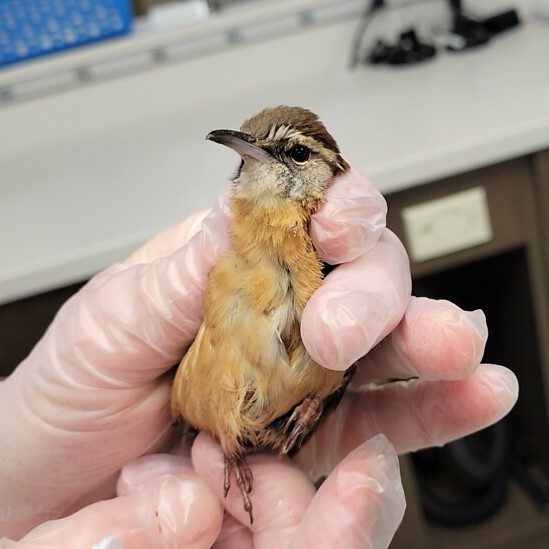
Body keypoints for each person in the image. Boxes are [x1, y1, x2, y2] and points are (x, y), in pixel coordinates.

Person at [0, 167, 518, 548]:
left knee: (342, 331)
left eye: (295, 154)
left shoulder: (322, 253)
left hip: (266, 421)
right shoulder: (226, 252)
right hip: (201, 422)